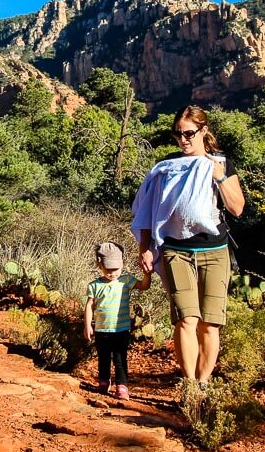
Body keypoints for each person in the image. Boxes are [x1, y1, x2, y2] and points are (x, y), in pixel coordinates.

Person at [131, 105, 245, 396]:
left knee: (210, 323)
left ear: (203, 131)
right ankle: (189, 386)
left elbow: (237, 208)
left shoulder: (220, 164)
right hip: (175, 251)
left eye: (189, 134)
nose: (183, 140)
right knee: (185, 318)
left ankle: (204, 384)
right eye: (178, 135)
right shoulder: (165, 167)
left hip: (214, 250)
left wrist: (219, 177)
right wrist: (146, 248)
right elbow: (147, 210)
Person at [84, 241, 151, 400]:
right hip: (101, 330)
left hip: (121, 330)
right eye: (108, 269)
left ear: (122, 265)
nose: (112, 273)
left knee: (120, 359)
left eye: (116, 269)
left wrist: (147, 273)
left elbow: (143, 286)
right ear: (99, 265)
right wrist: (87, 325)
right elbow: (89, 306)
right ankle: (104, 381)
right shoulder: (94, 285)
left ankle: (122, 386)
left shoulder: (126, 280)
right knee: (103, 358)